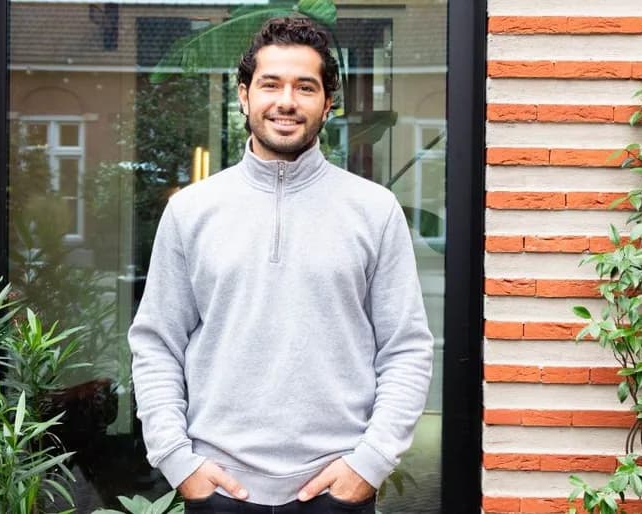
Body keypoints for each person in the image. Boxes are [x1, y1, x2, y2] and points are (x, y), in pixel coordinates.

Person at [128, 16, 434, 513]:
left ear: (327, 103)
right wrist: (179, 463)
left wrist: (370, 463)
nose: (286, 101)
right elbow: (156, 343)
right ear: (244, 95)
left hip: (335, 491)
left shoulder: (374, 210)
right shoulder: (191, 211)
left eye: (305, 87)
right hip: (220, 489)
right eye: (270, 84)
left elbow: (406, 349)